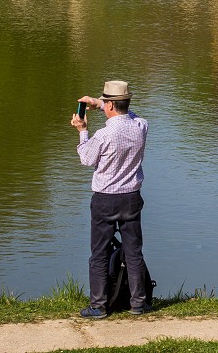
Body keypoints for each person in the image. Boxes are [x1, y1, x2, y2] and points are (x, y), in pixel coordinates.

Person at [72, 80, 150, 318]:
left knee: (99, 253)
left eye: (106, 102)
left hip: (105, 199)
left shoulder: (103, 134)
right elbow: (129, 114)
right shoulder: (140, 125)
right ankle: (138, 303)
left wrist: (82, 130)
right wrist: (100, 104)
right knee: (133, 251)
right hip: (131, 197)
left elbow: (86, 159)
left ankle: (98, 305)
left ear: (111, 106)